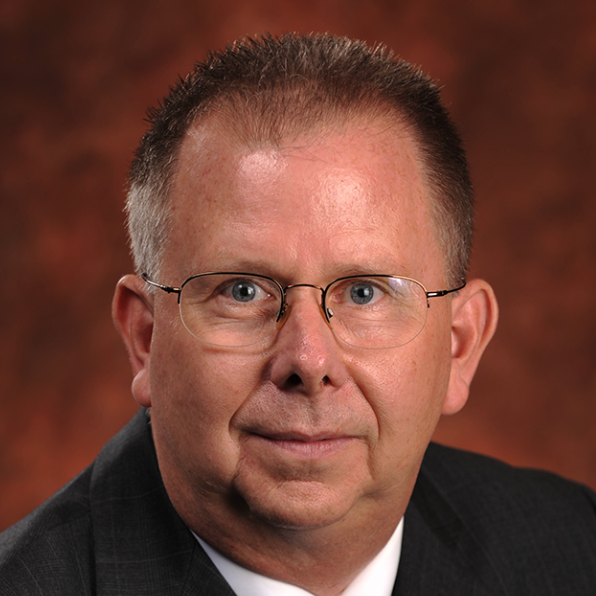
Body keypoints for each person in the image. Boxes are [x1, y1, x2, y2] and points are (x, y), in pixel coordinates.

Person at [1, 32, 595, 596]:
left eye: (365, 293)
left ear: (460, 345)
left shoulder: (574, 548)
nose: (309, 361)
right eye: (242, 291)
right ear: (145, 337)